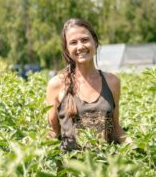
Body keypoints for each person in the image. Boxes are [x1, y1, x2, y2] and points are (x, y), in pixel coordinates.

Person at [46, 18, 129, 151]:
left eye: (85, 40)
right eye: (73, 42)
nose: (80, 46)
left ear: (95, 43)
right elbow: (53, 132)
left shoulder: (112, 82)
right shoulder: (57, 85)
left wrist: (138, 147)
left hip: (107, 167)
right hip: (72, 169)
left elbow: (116, 127)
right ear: (67, 49)